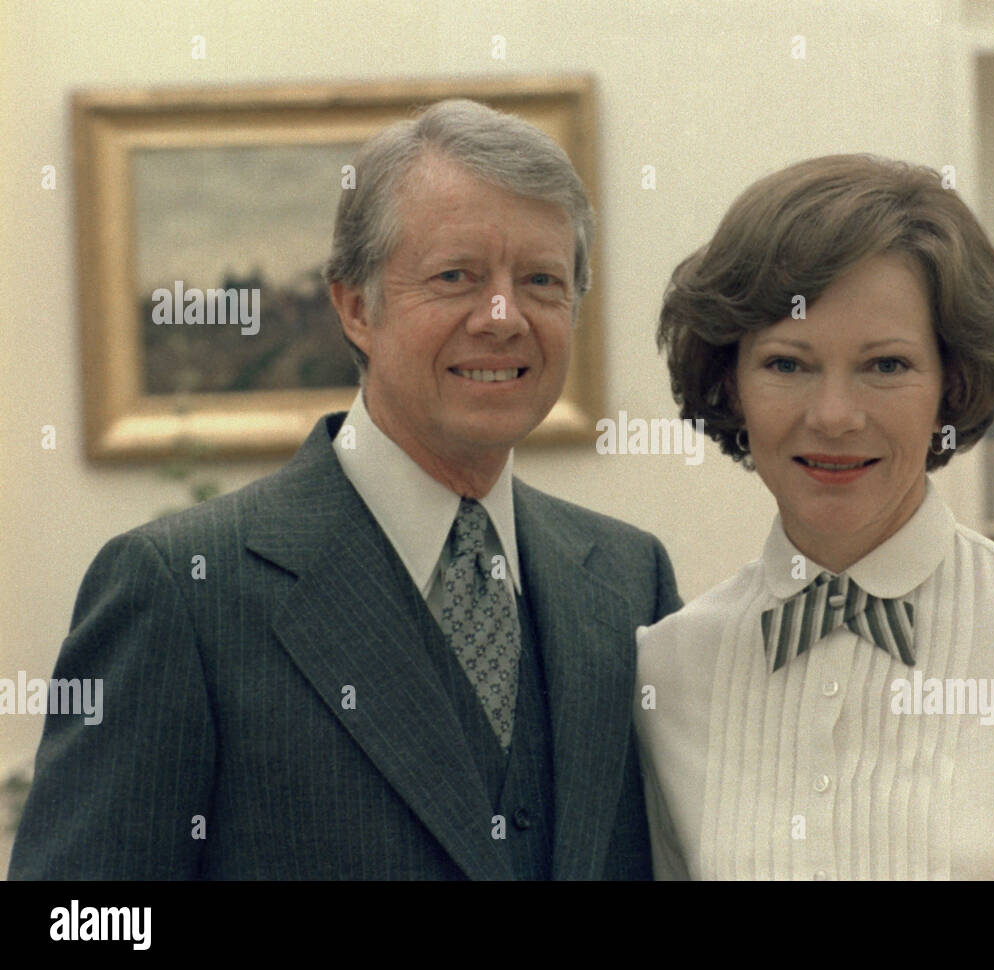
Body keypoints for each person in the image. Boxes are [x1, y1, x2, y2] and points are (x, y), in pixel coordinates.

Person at [11, 99, 680, 880]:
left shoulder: (628, 581)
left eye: (540, 280)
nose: (503, 318)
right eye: (457, 276)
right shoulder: (183, 591)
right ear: (357, 307)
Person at [636, 154, 994, 880]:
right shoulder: (669, 669)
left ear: (952, 383)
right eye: (786, 364)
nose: (834, 416)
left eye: (887, 366)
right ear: (729, 383)